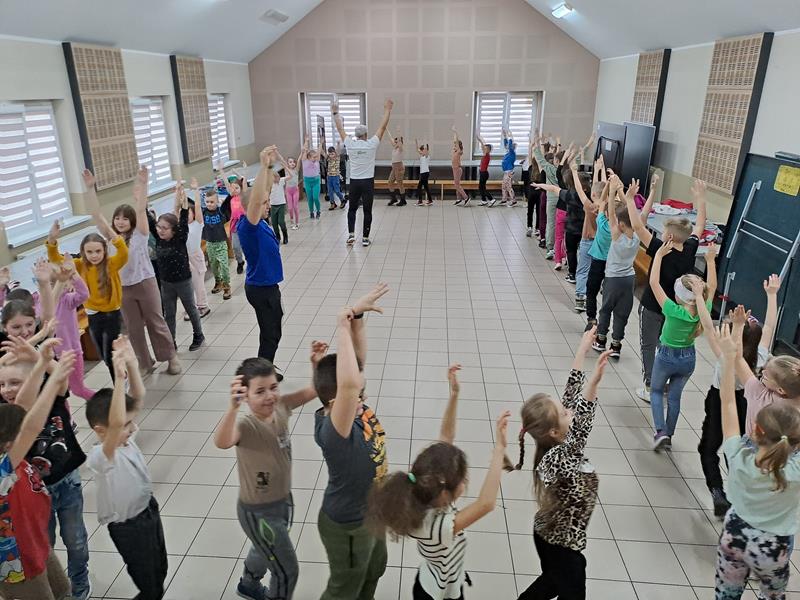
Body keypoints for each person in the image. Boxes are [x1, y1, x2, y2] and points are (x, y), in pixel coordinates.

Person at [367, 363, 511, 600]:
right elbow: (486, 504)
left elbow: (446, 438)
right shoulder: (440, 526)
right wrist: (499, 450)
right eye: (463, 479)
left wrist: (454, 394)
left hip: (437, 578)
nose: (466, 481)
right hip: (437, 592)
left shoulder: (424, 497)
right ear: (445, 492)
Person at [214, 343, 327, 600]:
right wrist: (232, 408)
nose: (269, 396)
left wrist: (316, 364)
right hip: (258, 512)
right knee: (287, 571)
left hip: (283, 501)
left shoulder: (281, 407)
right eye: (260, 391)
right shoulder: (246, 424)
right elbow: (222, 441)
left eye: (273, 387)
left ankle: (248, 584)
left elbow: (313, 390)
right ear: (245, 395)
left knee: (263, 547)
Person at [509, 328, 612, 600]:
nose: (571, 409)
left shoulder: (556, 444)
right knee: (568, 584)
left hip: (552, 537)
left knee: (552, 582)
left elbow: (570, 396)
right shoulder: (560, 457)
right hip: (560, 545)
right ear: (555, 431)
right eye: (566, 413)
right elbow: (581, 427)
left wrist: (582, 351)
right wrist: (594, 382)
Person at [313, 283, 390, 600]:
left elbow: (355, 366)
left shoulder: (349, 406)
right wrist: (341, 325)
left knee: (374, 569)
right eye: (357, 393)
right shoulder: (334, 433)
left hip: (373, 513)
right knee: (345, 588)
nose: (362, 395)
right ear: (336, 402)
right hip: (348, 524)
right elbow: (348, 384)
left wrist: (356, 316)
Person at [713, 324, 800, 600]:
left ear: (755, 430)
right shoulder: (796, 471)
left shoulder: (738, 456)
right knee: (772, 595)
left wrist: (728, 357)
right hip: (774, 547)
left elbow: (728, 402)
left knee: (727, 594)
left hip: (734, 537)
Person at [86, 337, 166, 600]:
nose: (132, 428)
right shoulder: (101, 456)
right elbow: (119, 419)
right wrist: (119, 380)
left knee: (160, 570)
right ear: (100, 431)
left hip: (148, 511)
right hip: (129, 528)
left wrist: (130, 362)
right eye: (125, 425)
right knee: (149, 584)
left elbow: (138, 398)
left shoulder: (126, 439)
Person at [696, 278, 779, 517]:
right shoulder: (760, 356)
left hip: (719, 400)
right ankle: (736, 489)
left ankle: (717, 491)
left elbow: (708, 325)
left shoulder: (726, 356)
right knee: (737, 447)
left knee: (708, 447)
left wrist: (700, 296)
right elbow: (770, 326)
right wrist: (772, 295)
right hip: (746, 400)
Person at [0, 344, 75, 600]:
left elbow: (20, 410)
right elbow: (29, 425)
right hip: (17, 562)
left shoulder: (7, 456)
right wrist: (53, 382)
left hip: (34, 541)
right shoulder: (3, 468)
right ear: (8, 444)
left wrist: (41, 364)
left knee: (62, 590)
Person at [629, 179, 707, 401]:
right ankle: (663, 381)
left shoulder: (660, 248)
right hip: (673, 308)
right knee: (664, 344)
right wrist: (701, 199)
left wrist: (629, 198)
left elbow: (637, 227)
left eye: (664, 231)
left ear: (670, 236)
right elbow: (700, 226)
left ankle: (649, 384)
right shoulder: (690, 248)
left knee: (648, 345)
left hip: (652, 306)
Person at [107, 167, 181, 374]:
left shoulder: (139, 235)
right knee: (134, 328)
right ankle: (144, 362)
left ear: (131, 221)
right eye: (117, 218)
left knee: (155, 321)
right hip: (124, 288)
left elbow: (140, 211)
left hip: (145, 282)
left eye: (125, 218)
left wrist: (143, 184)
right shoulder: (112, 240)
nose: (120, 222)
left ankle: (171, 357)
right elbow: (97, 217)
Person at [47, 199, 129, 379]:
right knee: (103, 354)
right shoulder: (79, 265)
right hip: (92, 314)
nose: (94, 255)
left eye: (98, 251)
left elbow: (123, 252)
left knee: (109, 353)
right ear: (83, 252)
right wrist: (52, 239)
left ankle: (120, 383)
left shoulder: (111, 264)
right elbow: (56, 259)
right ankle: (121, 371)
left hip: (112, 314)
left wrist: (109, 230)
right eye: (89, 252)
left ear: (104, 251)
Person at [649, 241, 716, 450]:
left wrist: (659, 256)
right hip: (688, 359)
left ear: (679, 296)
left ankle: (660, 432)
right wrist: (710, 262)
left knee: (656, 391)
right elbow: (712, 287)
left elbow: (654, 282)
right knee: (675, 397)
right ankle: (669, 434)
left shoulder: (672, 309)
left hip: (666, 356)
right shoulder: (703, 308)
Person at [239, 148, 285, 364]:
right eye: (264, 203)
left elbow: (263, 191)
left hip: (268, 286)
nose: (268, 205)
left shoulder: (261, 223)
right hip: (261, 289)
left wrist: (269, 166)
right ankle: (263, 370)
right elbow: (257, 200)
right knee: (270, 334)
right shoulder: (250, 226)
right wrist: (262, 165)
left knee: (273, 331)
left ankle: (265, 365)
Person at [151, 184, 205, 352]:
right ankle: (171, 341)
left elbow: (182, 215)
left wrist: (182, 198)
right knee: (169, 314)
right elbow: (147, 218)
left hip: (183, 281)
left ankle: (198, 335)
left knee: (191, 309)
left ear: (174, 230)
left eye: (164, 228)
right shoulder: (158, 239)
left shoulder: (180, 238)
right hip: (166, 283)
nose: (160, 231)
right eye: (159, 227)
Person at [333, 98, 393, 248]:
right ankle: (365, 238)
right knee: (367, 210)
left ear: (356, 135)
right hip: (367, 182)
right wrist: (387, 110)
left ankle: (351, 235)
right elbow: (382, 127)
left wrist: (335, 113)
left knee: (352, 209)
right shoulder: (372, 144)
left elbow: (340, 129)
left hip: (354, 182)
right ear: (366, 135)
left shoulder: (350, 144)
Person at [591, 177, 640, 359]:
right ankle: (616, 344)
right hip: (629, 280)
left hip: (612, 279)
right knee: (622, 313)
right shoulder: (637, 236)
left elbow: (611, 213)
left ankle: (601, 339)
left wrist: (612, 192)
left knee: (606, 309)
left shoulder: (616, 236)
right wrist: (627, 197)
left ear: (620, 224)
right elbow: (633, 216)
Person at [52, 256, 96, 400]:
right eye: (52, 283)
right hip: (52, 357)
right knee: (59, 393)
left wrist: (74, 275)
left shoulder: (67, 299)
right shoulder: (41, 303)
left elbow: (84, 294)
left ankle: (108, 405)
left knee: (78, 389)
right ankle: (66, 417)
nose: (55, 287)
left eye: (59, 282)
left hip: (71, 353)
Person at [184, 182, 211, 321]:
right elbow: (178, 210)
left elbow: (198, 207)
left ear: (193, 214)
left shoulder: (197, 224)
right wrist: (180, 193)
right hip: (185, 258)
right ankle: (192, 307)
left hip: (196, 257)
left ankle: (203, 306)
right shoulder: (181, 226)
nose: (186, 216)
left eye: (188, 213)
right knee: (189, 285)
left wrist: (195, 190)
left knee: (198, 284)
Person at [532, 132, 561, 259]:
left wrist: (535, 146)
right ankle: (560, 251)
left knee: (550, 223)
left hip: (551, 198)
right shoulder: (564, 171)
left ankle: (550, 248)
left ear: (555, 160)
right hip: (562, 198)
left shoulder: (549, 169)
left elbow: (540, 159)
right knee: (560, 224)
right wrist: (558, 144)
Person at [202, 186, 232, 300]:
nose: (209, 204)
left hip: (221, 243)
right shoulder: (204, 212)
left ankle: (226, 286)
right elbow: (194, 206)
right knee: (214, 267)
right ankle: (218, 282)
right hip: (210, 244)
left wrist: (231, 193)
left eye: (212, 202)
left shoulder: (220, 211)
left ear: (217, 201)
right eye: (207, 202)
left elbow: (227, 202)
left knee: (224, 266)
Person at [219, 163, 247, 274]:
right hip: (235, 224)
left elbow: (244, 180)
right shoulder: (231, 197)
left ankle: (251, 261)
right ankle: (240, 262)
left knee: (246, 245)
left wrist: (243, 170)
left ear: (241, 188)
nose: (234, 190)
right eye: (232, 188)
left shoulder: (243, 195)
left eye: (237, 188)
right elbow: (226, 182)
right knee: (235, 247)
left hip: (244, 223)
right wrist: (221, 170)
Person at [301, 135, 322, 219]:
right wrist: (306, 141)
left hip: (316, 181)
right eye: (314, 157)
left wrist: (321, 143)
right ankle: (311, 212)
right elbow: (304, 150)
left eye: (316, 157)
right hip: (307, 181)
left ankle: (318, 211)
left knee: (315, 197)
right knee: (310, 198)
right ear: (309, 157)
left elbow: (319, 151)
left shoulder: (317, 161)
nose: (315, 158)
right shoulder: (305, 161)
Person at [386, 127, 406, 207]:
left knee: (400, 183)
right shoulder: (394, 148)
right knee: (390, 182)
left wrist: (398, 132)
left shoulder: (400, 149)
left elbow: (400, 141)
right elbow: (390, 137)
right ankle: (393, 198)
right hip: (394, 168)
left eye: (396, 140)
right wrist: (386, 128)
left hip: (399, 167)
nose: (394, 141)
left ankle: (403, 200)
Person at [451, 127, 470, 206]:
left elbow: (457, 141)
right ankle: (458, 198)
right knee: (457, 184)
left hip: (457, 169)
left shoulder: (459, 151)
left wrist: (455, 132)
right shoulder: (455, 151)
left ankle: (466, 197)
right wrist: (454, 133)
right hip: (454, 169)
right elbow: (455, 141)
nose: (454, 145)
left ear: (458, 146)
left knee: (457, 185)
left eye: (455, 145)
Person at [498, 129, 517, 207]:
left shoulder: (512, 153)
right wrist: (505, 136)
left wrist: (510, 136)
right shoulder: (508, 152)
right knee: (504, 186)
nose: (506, 147)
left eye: (508, 146)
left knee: (509, 187)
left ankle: (513, 200)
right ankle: (504, 199)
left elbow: (509, 144)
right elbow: (506, 144)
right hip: (506, 172)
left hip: (509, 172)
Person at [269, 170, 289, 244]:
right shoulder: (270, 184)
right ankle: (278, 237)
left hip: (281, 204)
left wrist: (285, 166)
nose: (276, 179)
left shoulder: (281, 181)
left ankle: (285, 235)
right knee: (274, 223)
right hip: (273, 205)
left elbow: (291, 176)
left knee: (281, 221)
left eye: (277, 177)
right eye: (274, 178)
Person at [476, 135, 494, 207]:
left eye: (486, 149)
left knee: (482, 188)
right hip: (482, 173)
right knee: (481, 187)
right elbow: (483, 147)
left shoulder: (487, 155)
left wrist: (480, 140)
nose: (484, 149)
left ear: (489, 150)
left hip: (484, 174)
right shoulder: (485, 155)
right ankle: (484, 201)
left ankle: (491, 199)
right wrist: (480, 140)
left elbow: (483, 146)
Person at [415, 139, 432, 206]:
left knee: (419, 187)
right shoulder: (422, 156)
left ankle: (420, 201)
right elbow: (417, 150)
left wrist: (426, 145)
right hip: (423, 173)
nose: (421, 152)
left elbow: (426, 150)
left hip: (425, 173)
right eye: (422, 150)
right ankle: (430, 200)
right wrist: (416, 142)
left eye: (423, 150)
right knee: (426, 187)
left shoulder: (427, 156)